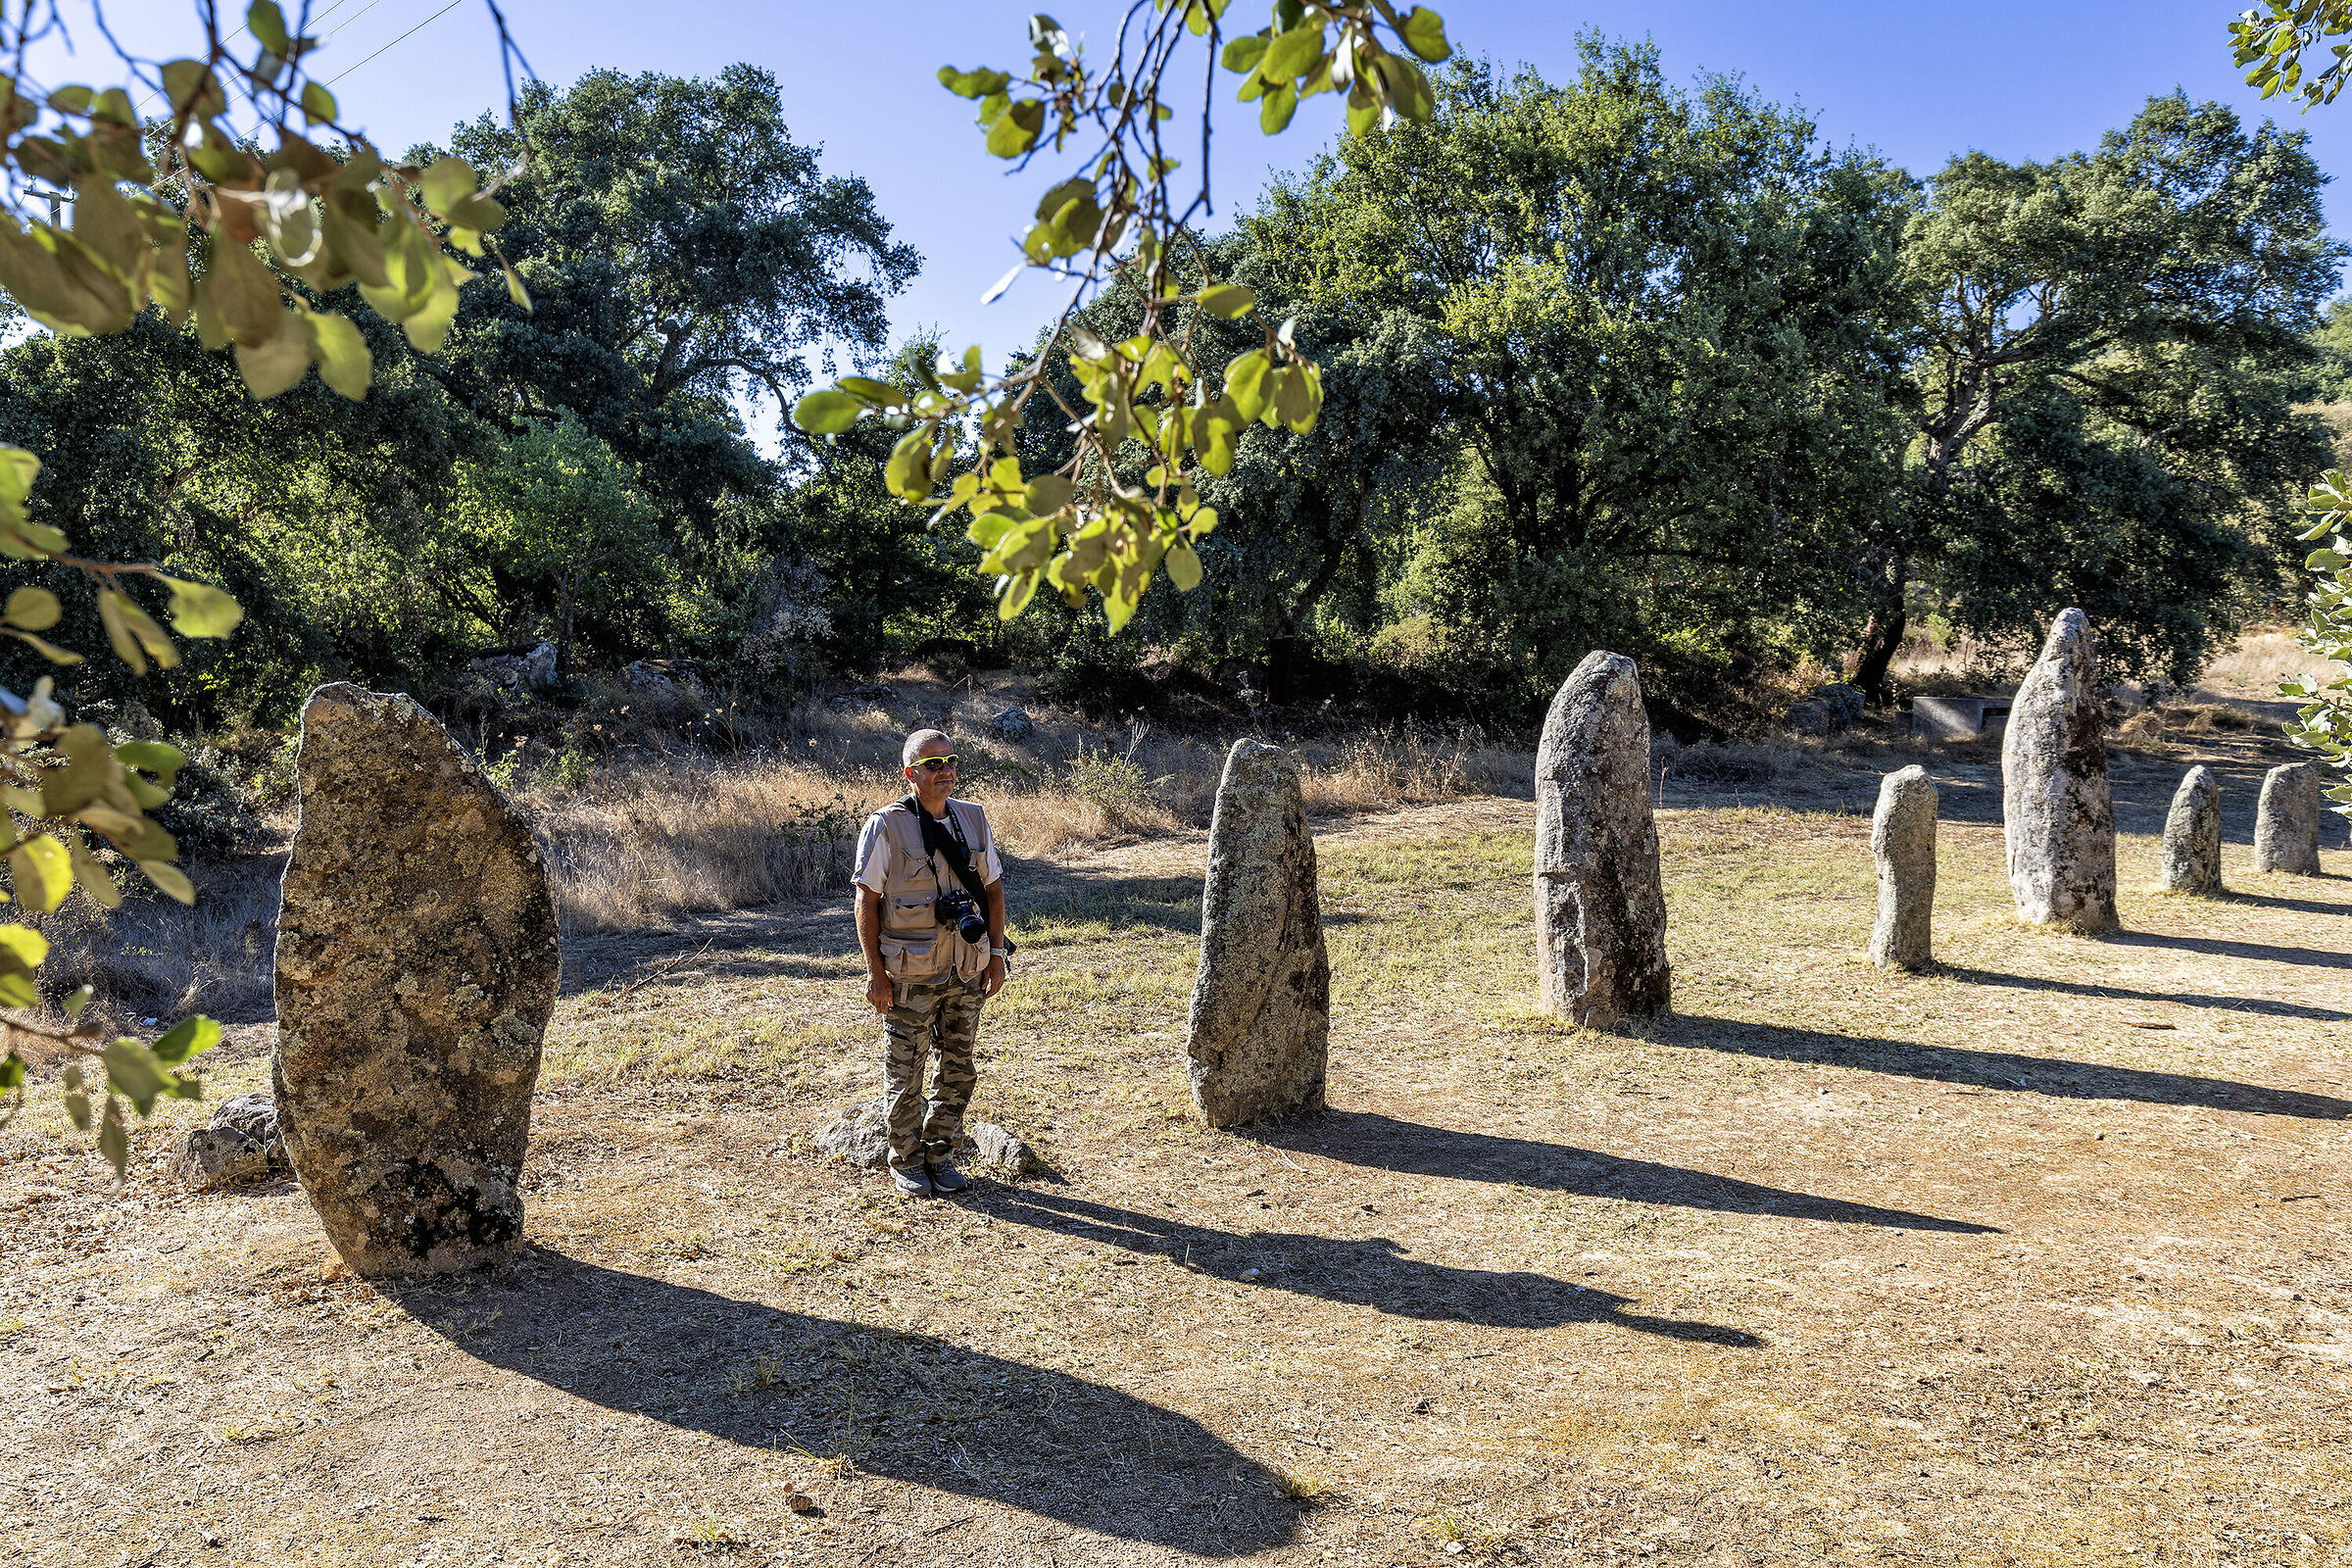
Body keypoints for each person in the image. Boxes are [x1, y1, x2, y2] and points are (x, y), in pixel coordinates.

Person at [851, 729, 1009, 1198]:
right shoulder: (885, 825)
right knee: (906, 1069)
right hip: (910, 973)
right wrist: (875, 974)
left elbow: (994, 891)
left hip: (967, 966)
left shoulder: (974, 819)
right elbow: (867, 901)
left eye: (949, 761)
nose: (944, 771)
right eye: (932, 763)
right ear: (910, 774)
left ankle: (941, 1154)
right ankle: (906, 1159)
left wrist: (996, 955)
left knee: (959, 1066)